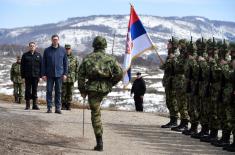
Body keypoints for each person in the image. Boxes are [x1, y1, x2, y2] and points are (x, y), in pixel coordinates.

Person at [77, 36, 123, 151]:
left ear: (94, 45)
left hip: (92, 89)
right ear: (105, 46)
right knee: (97, 111)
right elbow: (119, 73)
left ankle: (99, 142)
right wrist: (110, 83)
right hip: (104, 88)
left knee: (95, 114)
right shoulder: (110, 58)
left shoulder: (87, 58)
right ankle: (99, 140)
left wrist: (82, 91)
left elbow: (81, 75)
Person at [42, 34, 68, 114]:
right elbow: (43, 63)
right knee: (49, 91)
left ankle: (57, 108)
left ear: (58, 40)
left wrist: (65, 74)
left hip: (59, 75)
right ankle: (49, 108)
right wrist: (43, 74)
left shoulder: (63, 50)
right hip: (49, 74)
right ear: (51, 40)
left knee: (58, 92)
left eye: (56, 39)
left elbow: (65, 63)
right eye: (53, 39)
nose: (55, 41)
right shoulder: (47, 50)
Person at [160, 37, 179, 128]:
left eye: (169, 44)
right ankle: (172, 120)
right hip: (169, 82)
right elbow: (166, 66)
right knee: (169, 102)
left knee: (173, 101)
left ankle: (175, 121)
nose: (167, 45)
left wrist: (173, 59)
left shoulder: (176, 54)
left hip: (174, 82)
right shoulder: (170, 54)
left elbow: (177, 68)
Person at [21, 42, 42, 110]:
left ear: (35, 47)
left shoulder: (39, 55)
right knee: (27, 90)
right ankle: (27, 105)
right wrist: (23, 77)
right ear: (29, 47)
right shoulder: (25, 55)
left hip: (36, 76)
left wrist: (40, 76)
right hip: (27, 76)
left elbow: (41, 67)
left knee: (35, 90)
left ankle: (34, 105)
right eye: (31, 46)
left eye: (33, 46)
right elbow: (22, 67)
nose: (32, 47)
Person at [61, 44, 79, 110]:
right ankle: (63, 105)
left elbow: (77, 68)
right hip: (63, 77)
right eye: (66, 49)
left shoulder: (74, 58)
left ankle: (68, 105)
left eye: (68, 49)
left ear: (70, 49)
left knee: (70, 92)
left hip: (71, 78)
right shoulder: (62, 57)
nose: (67, 50)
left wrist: (76, 77)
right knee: (63, 92)